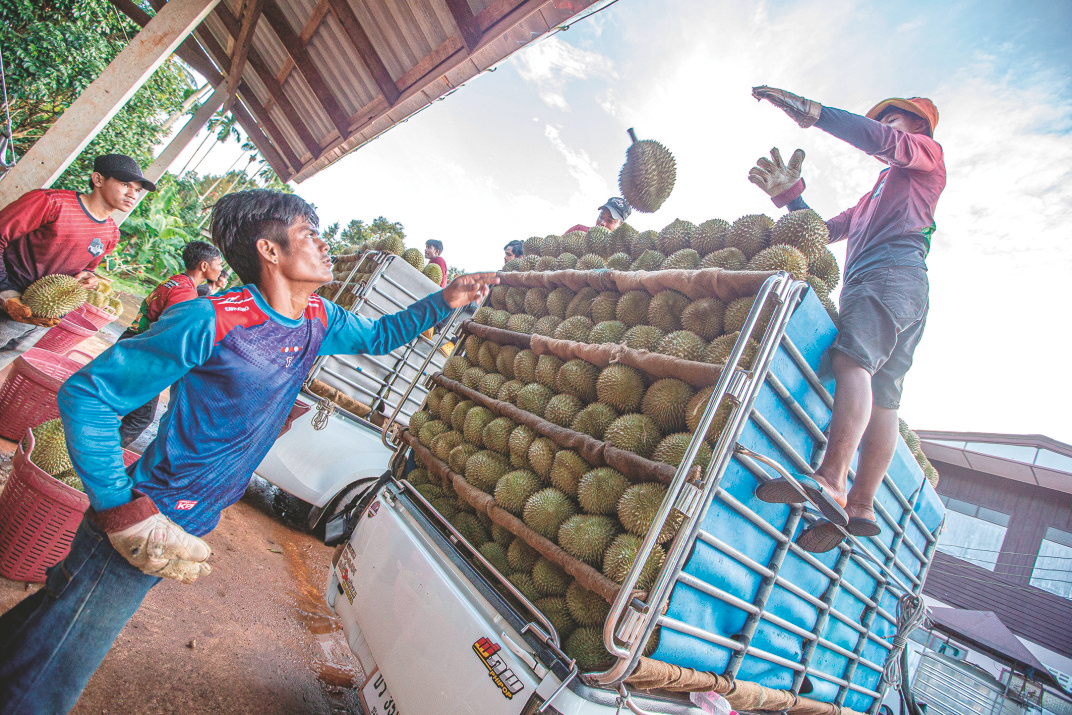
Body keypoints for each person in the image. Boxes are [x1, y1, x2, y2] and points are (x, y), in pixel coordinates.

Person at [0, 190, 497, 715]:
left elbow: (377, 336)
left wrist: (446, 299)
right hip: (151, 514)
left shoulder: (319, 319)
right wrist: (120, 506)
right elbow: (88, 395)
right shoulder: (210, 320)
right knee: (59, 667)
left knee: (60, 615)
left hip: (195, 513)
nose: (326, 246)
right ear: (270, 250)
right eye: (310, 234)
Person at [748, 88, 944, 553]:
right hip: (905, 290)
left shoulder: (926, 156)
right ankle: (861, 505)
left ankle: (832, 478)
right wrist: (791, 197)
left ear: (915, 126)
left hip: (888, 276)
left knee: (852, 363)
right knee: (885, 399)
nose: (885, 129)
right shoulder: (879, 192)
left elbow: (882, 141)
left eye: (892, 121)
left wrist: (815, 115)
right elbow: (827, 231)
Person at [0, 154, 154, 366]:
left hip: (44, 316)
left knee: (6, 357)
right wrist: (5, 291)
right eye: (124, 184)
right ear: (98, 180)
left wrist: (89, 278)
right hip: (8, 298)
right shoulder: (51, 203)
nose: (132, 194)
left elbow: (87, 268)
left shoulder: (111, 233)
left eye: (137, 190)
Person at [116, 240, 224, 447]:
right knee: (140, 417)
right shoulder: (185, 293)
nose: (221, 269)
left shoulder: (175, 281)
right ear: (204, 266)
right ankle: (95, 459)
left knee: (119, 401)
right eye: (219, 264)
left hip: (131, 342)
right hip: (143, 353)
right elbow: (170, 332)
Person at [563, 197, 631, 234]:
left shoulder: (619, 251)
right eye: (601, 217)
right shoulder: (578, 230)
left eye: (610, 220)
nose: (603, 223)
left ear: (620, 225)